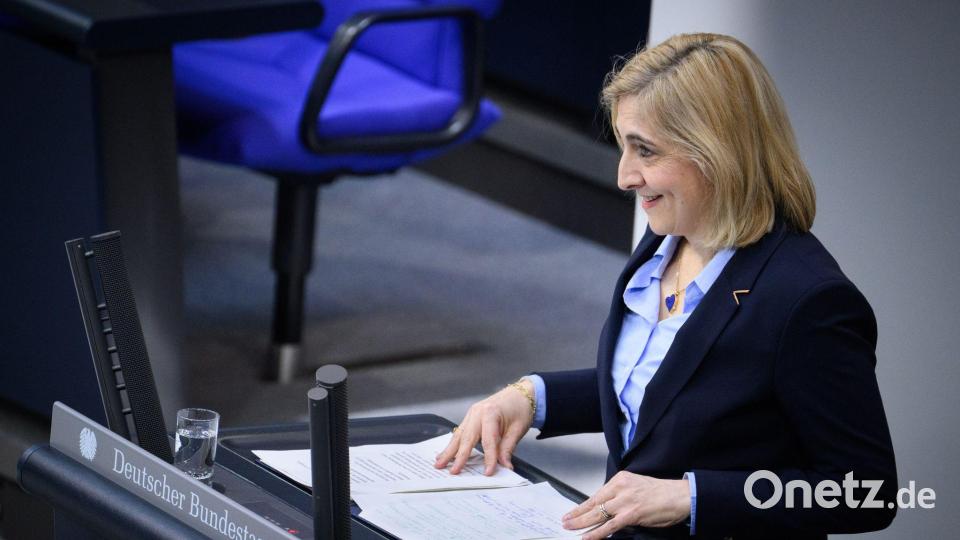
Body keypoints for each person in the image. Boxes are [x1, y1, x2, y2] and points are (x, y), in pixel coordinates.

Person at [434, 33, 897, 539]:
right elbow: (663, 394)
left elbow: (865, 491)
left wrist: (691, 496)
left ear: (716, 152)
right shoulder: (665, 243)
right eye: (623, 146)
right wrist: (532, 397)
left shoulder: (808, 300)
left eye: (645, 151)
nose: (624, 177)